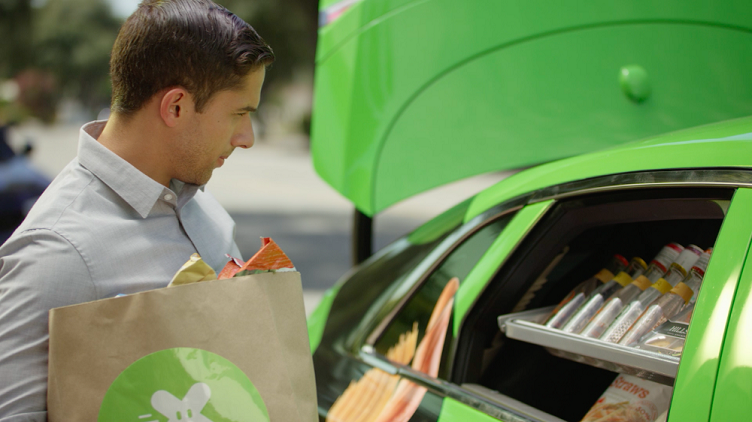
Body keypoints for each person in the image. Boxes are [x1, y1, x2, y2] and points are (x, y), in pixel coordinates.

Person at [0, 0, 274, 419]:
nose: (247, 137)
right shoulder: (57, 251)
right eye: (239, 113)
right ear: (176, 106)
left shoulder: (198, 200)